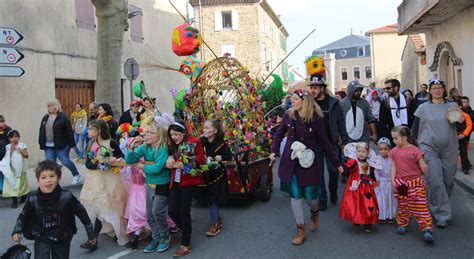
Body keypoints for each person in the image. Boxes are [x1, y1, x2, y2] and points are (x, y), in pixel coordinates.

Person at [270, 89, 343, 245]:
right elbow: (278, 134)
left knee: (310, 198)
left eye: (295, 99)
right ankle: (300, 230)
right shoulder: (288, 115)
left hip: (308, 163)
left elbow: (324, 142)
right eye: (292, 99)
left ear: (304, 101)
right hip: (291, 162)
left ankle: (315, 212)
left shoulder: (316, 119)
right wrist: (273, 151)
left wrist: (337, 164)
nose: (292, 102)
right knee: (295, 196)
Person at [11, 160, 97, 259]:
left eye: (52, 176)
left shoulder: (67, 197)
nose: (48, 180)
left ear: (59, 178)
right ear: (38, 180)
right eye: (43, 177)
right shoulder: (33, 199)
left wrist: (91, 233)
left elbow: (82, 214)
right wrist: (17, 230)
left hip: (62, 237)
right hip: (41, 237)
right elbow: (23, 215)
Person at [411, 79, 461, 229]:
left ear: (444, 90)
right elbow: (415, 129)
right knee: (436, 180)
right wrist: (413, 149)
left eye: (440, 87)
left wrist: (460, 120)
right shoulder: (423, 108)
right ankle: (442, 214)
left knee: (448, 181)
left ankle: (437, 204)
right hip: (428, 147)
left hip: (449, 147)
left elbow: (462, 123)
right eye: (434, 88)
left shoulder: (452, 106)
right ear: (430, 91)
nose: (437, 90)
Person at [125, 115, 172, 253]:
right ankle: (156, 238)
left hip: (162, 184)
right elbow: (129, 160)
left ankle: (164, 237)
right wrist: (132, 149)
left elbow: (157, 168)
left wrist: (141, 166)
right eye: (145, 133)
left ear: (158, 135)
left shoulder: (162, 148)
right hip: (150, 184)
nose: (146, 136)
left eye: (150, 133)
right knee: (149, 214)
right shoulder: (145, 147)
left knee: (157, 212)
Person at [79, 119, 128, 248]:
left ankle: (97, 237)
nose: (88, 131)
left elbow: (122, 158)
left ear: (99, 130)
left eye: (91, 129)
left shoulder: (110, 142)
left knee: (109, 206)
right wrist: (97, 163)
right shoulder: (90, 144)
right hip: (94, 179)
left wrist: (112, 161)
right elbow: (88, 164)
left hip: (109, 179)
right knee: (95, 207)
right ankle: (93, 238)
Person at [165, 119, 205, 256]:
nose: (174, 137)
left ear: (184, 132)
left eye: (177, 134)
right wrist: (170, 158)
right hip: (175, 182)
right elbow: (169, 153)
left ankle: (185, 243)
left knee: (183, 210)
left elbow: (201, 160)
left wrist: (187, 161)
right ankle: (186, 229)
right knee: (171, 211)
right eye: (172, 134)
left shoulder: (195, 142)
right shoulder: (172, 144)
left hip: (189, 181)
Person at [307, 77, 348, 210]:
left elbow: (341, 122)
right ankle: (322, 198)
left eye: (315, 87)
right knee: (318, 172)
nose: (312, 90)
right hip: (315, 144)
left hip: (332, 143)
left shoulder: (334, 103)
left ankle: (333, 190)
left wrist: (345, 141)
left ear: (322, 88)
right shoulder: (309, 103)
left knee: (334, 170)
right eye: (311, 87)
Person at [389, 126, 434, 244]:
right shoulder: (394, 151)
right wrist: (392, 180)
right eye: (393, 138)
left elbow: (421, 162)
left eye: (395, 138)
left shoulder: (415, 150)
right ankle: (402, 224)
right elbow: (393, 166)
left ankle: (427, 229)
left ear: (404, 138)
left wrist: (424, 167)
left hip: (415, 182)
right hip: (401, 184)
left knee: (420, 206)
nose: (394, 141)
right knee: (403, 204)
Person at [117, 126, 147, 250]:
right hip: (135, 189)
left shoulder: (145, 160)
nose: (135, 149)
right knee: (136, 213)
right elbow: (127, 174)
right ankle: (135, 237)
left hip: (144, 188)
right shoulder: (131, 161)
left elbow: (148, 173)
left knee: (142, 212)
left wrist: (142, 170)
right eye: (133, 147)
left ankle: (139, 236)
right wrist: (122, 168)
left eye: (137, 146)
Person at [38, 99, 82, 185]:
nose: (50, 108)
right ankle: (55, 181)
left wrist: (71, 144)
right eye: (48, 106)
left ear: (56, 106)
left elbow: (69, 131)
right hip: (48, 146)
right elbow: (41, 131)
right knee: (51, 165)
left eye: (51, 105)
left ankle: (76, 175)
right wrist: (41, 142)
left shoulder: (63, 117)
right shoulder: (45, 117)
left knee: (65, 161)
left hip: (61, 145)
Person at [200, 119, 232, 236]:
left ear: (215, 130)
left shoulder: (221, 144)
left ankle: (215, 224)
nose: (205, 130)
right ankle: (217, 219)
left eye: (208, 128)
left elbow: (229, 156)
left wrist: (221, 157)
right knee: (209, 199)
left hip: (217, 175)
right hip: (205, 175)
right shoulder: (201, 141)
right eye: (204, 128)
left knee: (213, 198)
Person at [339, 142, 379, 233]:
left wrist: (374, 181)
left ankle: (367, 223)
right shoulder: (354, 161)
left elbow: (372, 173)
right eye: (359, 151)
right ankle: (356, 218)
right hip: (356, 186)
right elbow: (347, 169)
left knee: (368, 204)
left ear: (368, 153)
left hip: (367, 187)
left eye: (363, 151)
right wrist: (343, 170)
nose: (361, 153)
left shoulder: (370, 162)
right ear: (356, 152)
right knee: (356, 203)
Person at [3, 130, 30, 208]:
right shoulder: (7, 147)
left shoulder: (22, 145)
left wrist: (20, 150)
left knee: (22, 184)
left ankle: (23, 197)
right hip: (12, 169)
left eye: (16, 136)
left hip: (21, 169)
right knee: (13, 184)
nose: (14, 139)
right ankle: (14, 201)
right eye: (11, 137)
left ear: (18, 137)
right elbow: (6, 158)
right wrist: (11, 150)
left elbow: (26, 155)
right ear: (9, 139)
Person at [374, 137, 396, 224]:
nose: (383, 151)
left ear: (389, 149)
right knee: (381, 199)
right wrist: (377, 178)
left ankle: (389, 215)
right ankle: (381, 216)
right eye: (381, 149)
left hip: (389, 181)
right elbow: (375, 170)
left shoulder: (392, 159)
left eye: (385, 149)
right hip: (381, 182)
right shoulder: (377, 159)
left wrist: (393, 179)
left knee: (389, 199)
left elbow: (394, 169)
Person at [455, 100, 472, 174]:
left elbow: (469, 126)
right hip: (452, 137)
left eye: (456, 107)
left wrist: (464, 134)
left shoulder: (465, 115)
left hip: (462, 136)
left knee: (463, 152)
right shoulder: (450, 116)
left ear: (460, 107)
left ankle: (465, 167)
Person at [0, 115, 13, 193]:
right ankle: (1, 189)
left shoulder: (8, 130)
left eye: (2, 121)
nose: (1, 123)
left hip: (6, 154)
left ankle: (8, 189)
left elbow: (12, 139)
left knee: (6, 172)